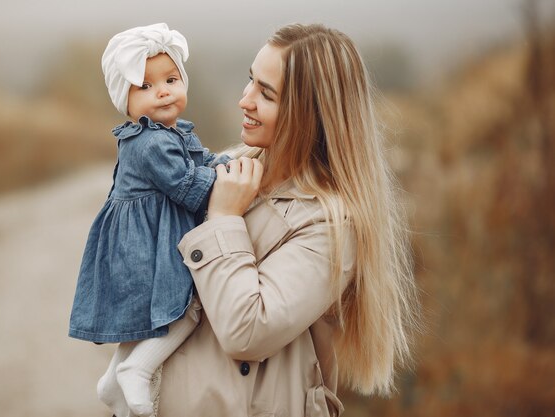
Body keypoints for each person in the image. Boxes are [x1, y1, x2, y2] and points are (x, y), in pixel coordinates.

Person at [151, 23, 420, 417]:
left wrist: (224, 217)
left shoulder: (329, 224)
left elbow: (248, 332)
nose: (245, 100)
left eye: (267, 93)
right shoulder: (230, 170)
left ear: (310, 116)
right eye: (250, 81)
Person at [67, 23, 229, 417]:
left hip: (147, 235)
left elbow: (199, 161)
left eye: (171, 79)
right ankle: (138, 367)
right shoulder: (152, 141)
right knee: (188, 307)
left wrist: (224, 163)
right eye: (144, 86)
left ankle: (112, 381)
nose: (162, 91)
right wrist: (230, 182)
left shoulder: (169, 131)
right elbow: (189, 186)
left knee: (141, 316)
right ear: (125, 100)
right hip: (145, 243)